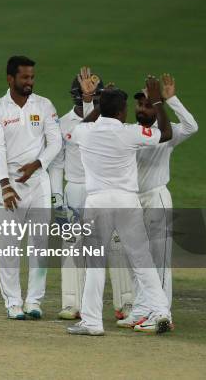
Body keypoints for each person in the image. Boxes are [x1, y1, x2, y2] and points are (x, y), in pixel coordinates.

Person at [67, 76, 173, 336]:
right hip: (127, 201)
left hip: (97, 202)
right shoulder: (130, 132)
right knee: (141, 260)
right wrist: (158, 101)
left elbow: (78, 128)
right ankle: (161, 311)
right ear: (121, 111)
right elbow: (167, 134)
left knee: (95, 264)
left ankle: (92, 322)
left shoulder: (84, 132)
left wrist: (96, 103)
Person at [49, 68, 134, 321]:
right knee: (73, 246)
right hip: (75, 189)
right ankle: (72, 304)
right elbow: (56, 164)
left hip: (104, 189)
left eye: (96, 95)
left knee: (116, 245)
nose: (91, 98)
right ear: (78, 95)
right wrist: (56, 199)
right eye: (87, 95)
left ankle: (126, 302)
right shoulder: (63, 124)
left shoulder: (107, 124)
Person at [116, 74, 198, 330]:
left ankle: (162, 315)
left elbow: (192, 126)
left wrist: (170, 99)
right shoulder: (130, 132)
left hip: (156, 198)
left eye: (148, 104)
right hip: (133, 202)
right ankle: (141, 308)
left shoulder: (168, 132)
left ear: (157, 106)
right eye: (140, 105)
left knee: (159, 261)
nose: (142, 109)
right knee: (136, 258)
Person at [0, 55, 61, 320]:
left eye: (32, 77)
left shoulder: (44, 105)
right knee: (9, 246)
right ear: (10, 79)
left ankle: (34, 301)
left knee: (40, 245)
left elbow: (55, 142)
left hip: (39, 183)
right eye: (24, 77)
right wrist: (5, 185)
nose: (30, 82)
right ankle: (13, 302)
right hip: (11, 186)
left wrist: (37, 164)